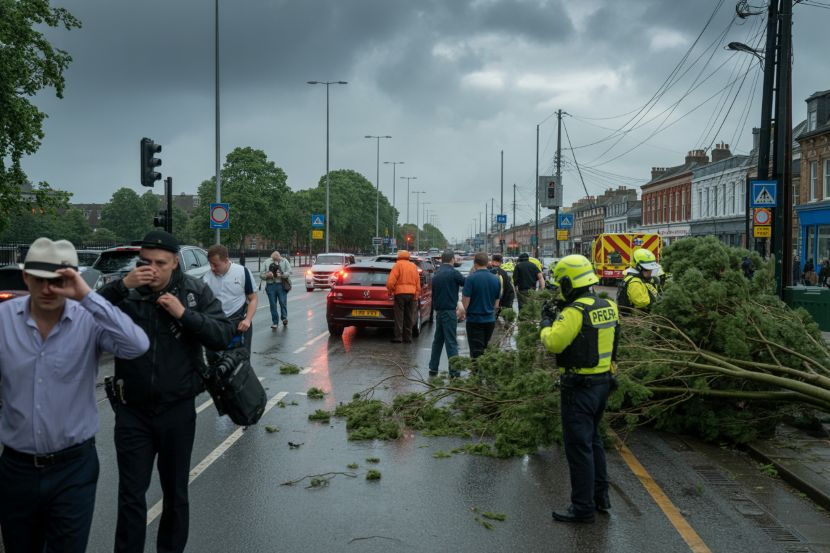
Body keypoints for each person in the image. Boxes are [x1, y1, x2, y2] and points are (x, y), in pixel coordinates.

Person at [0, 238, 149, 553]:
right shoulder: (4, 320)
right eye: (40, 279)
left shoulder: (89, 318)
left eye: (58, 280)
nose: (48, 289)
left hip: (73, 469)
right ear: (26, 277)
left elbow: (137, 346)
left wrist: (87, 296)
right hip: (17, 469)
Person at [97, 230, 235, 553]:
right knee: (131, 496)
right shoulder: (127, 293)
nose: (153, 269)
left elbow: (223, 335)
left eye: (161, 263)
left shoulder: (193, 292)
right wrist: (121, 285)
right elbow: (81, 313)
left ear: (175, 262)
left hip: (177, 411)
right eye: (146, 262)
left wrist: (184, 315)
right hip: (133, 412)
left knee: (175, 494)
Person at [540, 254, 619, 524]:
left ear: (568, 282)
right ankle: (600, 497)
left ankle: (582, 508)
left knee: (578, 448)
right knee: (594, 442)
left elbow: (554, 343)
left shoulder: (575, 312)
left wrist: (546, 324)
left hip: (579, 389)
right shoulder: (608, 305)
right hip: (602, 385)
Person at [203, 244, 258, 357]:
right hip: (216, 325)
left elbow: (253, 299)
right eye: (210, 264)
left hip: (239, 325)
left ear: (226, 260)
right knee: (214, 362)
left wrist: (247, 320)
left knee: (240, 363)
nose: (212, 268)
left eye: (215, 265)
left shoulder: (243, 272)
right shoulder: (206, 278)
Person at [428, 250, 466, 378]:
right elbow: (466, 283)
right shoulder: (453, 273)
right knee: (451, 342)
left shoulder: (436, 274)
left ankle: (433, 368)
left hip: (439, 312)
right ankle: (454, 372)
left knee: (437, 341)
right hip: (449, 312)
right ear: (452, 260)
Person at [462, 252, 501, 359]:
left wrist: (465, 311)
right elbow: (497, 304)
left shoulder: (470, 279)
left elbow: (466, 302)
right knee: (485, 348)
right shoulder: (496, 279)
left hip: (474, 320)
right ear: (487, 263)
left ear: (475, 263)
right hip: (489, 320)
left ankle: (476, 373)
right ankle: (484, 372)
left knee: (475, 352)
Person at [386, 250, 421, 343]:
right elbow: (418, 282)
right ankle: (408, 337)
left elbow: (390, 282)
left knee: (399, 316)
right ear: (408, 257)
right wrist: (416, 295)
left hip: (400, 294)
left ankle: (398, 337)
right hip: (411, 294)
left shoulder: (398, 265)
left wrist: (390, 291)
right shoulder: (413, 266)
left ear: (399, 257)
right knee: (409, 316)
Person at [616, 248, 659, 315]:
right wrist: (659, 302)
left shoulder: (641, 279)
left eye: (651, 269)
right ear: (639, 267)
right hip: (636, 319)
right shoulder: (635, 282)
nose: (650, 272)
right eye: (648, 269)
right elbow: (642, 302)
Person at [260, 251, 292, 328]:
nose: (276, 261)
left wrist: (282, 274)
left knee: (282, 302)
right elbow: (261, 274)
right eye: (274, 260)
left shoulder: (284, 261)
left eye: (277, 259)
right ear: (272, 258)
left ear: (279, 257)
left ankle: (284, 318)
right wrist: (267, 275)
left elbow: (289, 271)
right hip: (270, 285)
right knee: (273, 305)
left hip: (281, 285)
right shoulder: (266, 262)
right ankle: (275, 322)